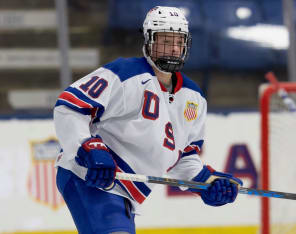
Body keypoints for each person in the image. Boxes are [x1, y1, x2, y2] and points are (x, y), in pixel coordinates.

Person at [53, 6, 242, 234]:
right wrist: (89, 148)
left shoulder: (194, 98)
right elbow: (69, 107)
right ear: (149, 41)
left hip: (125, 192)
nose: (173, 48)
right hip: (89, 177)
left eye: (178, 41)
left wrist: (206, 182)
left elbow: (183, 158)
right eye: (165, 40)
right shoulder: (125, 73)